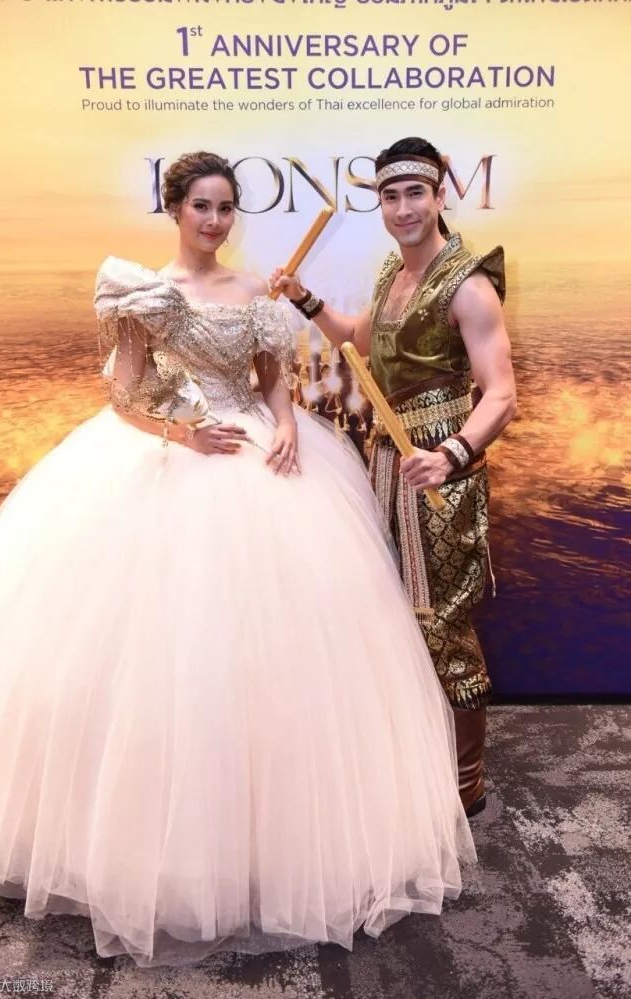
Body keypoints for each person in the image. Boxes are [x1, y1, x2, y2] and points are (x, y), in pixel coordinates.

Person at [0, 151, 475, 967]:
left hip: (257, 452)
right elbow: (124, 395)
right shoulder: (142, 291)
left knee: (283, 651)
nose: (214, 220)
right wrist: (181, 433)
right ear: (175, 209)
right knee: (154, 656)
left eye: (225, 206)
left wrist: (286, 425)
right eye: (201, 205)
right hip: (171, 455)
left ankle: (272, 842)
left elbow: (273, 378)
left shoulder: (252, 293)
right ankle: (143, 848)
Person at [271, 137, 517, 819]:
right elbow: (360, 338)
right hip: (385, 462)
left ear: (439, 197)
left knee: (441, 620)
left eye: (416, 193)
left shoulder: (468, 282)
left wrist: (453, 454)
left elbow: (502, 394)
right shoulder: (393, 273)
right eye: (390, 195)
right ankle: (414, 757)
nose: (403, 208)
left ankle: (466, 785)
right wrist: (304, 299)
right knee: (393, 613)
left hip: (441, 474)